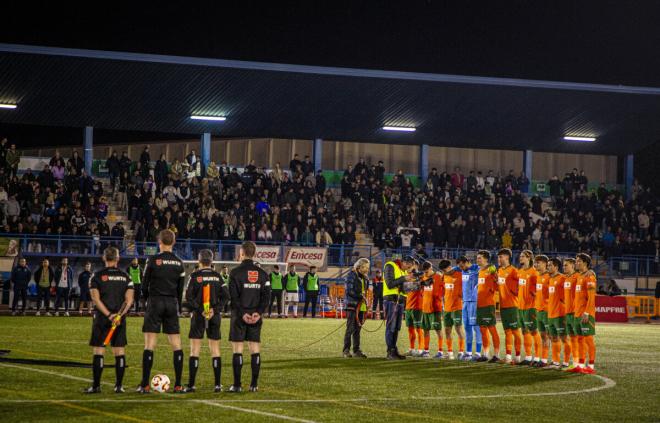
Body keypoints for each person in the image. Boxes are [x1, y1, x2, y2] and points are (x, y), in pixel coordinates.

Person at [138, 229, 186, 394]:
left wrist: (145, 301)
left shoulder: (152, 260)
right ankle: (178, 385)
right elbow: (180, 290)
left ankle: (144, 385)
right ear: (173, 242)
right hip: (171, 303)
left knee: (150, 345)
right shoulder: (179, 263)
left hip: (155, 301)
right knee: (176, 345)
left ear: (159, 241)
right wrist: (177, 305)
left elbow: (144, 285)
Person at [84, 246, 134, 394]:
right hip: (119, 319)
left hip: (101, 318)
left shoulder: (96, 276)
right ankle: (119, 386)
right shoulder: (126, 277)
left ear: (104, 258)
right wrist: (118, 315)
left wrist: (108, 315)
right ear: (118, 259)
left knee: (99, 350)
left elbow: (95, 299)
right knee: (119, 351)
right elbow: (129, 300)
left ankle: (96, 386)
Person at [228, 241, 271, 393]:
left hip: (240, 317)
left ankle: (237, 385)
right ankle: (254, 385)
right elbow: (267, 298)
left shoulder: (234, 273)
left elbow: (233, 298)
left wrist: (242, 313)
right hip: (255, 317)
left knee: (238, 350)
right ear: (255, 254)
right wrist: (258, 313)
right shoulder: (263, 274)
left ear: (241, 253)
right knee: (254, 349)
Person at [184, 249, 228, 392]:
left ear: (199, 261)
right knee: (215, 350)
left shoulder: (194, 276)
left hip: (198, 316)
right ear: (212, 261)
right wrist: (215, 309)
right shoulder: (218, 276)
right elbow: (226, 296)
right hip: (214, 316)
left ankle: (191, 385)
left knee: (194, 350)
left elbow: (188, 297)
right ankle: (217, 385)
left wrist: (200, 309)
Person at [382, 256, 415, 360]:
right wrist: (404, 279)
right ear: (404, 262)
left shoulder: (403, 271)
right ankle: (390, 351)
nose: (408, 269)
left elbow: (404, 289)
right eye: (408, 266)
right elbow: (390, 284)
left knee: (396, 328)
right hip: (391, 300)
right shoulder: (390, 265)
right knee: (391, 327)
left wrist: (418, 284)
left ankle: (394, 350)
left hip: (399, 301)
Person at [572, 253, 597, 374]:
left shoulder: (590, 277)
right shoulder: (580, 276)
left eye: (578, 261)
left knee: (589, 340)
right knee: (580, 340)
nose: (576, 263)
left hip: (586, 314)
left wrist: (587, 312)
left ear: (585, 263)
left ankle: (591, 366)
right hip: (577, 314)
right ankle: (581, 365)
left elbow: (591, 297)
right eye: (576, 261)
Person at [496, 248, 522, 364]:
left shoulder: (514, 271)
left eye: (501, 257)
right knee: (507, 332)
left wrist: (514, 293)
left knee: (515, 331)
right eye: (498, 257)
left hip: (512, 305)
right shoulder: (499, 270)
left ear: (507, 257)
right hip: (503, 306)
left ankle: (517, 357)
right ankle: (508, 356)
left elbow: (521, 285)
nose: (499, 259)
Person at [517, 250, 542, 366]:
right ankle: (527, 356)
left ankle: (537, 357)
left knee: (534, 331)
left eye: (523, 256)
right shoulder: (520, 271)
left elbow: (540, 289)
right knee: (524, 331)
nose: (520, 258)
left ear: (529, 258)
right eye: (520, 256)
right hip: (520, 307)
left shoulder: (534, 272)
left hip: (531, 307)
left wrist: (535, 295)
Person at [475, 251, 500, 362]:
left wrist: (495, 274)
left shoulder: (491, 269)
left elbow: (497, 283)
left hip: (488, 304)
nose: (477, 260)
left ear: (486, 259)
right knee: (482, 330)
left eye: (479, 258)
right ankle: (485, 354)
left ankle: (497, 355)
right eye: (477, 258)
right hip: (480, 304)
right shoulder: (480, 271)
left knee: (492, 329)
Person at [546, 258, 571, 369]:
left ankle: (565, 362)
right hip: (551, 314)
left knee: (564, 339)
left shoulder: (563, 278)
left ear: (556, 267)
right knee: (554, 338)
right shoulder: (550, 279)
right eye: (548, 265)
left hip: (561, 314)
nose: (548, 267)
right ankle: (555, 362)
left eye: (550, 265)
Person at [457, 255, 483, 361]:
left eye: (462, 265)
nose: (461, 268)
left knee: (476, 327)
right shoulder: (461, 270)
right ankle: (468, 352)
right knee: (467, 327)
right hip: (465, 302)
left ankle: (477, 352)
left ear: (467, 262)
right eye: (459, 266)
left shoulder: (477, 268)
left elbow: (488, 268)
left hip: (474, 301)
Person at [342, 258, 370, 358]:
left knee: (357, 329)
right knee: (350, 328)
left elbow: (364, 291)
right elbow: (349, 291)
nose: (367, 269)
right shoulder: (350, 275)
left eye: (367, 267)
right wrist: (361, 296)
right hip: (351, 305)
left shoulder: (365, 278)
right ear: (358, 267)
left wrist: (364, 299)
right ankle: (346, 350)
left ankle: (356, 350)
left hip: (361, 307)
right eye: (364, 267)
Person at [419, 261, 444, 359]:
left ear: (431, 268)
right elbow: (422, 290)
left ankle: (440, 351)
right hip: (425, 307)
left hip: (435, 308)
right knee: (425, 329)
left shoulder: (438, 277)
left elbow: (444, 290)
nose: (426, 273)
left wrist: (438, 297)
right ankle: (426, 351)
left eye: (427, 271)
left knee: (438, 330)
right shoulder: (424, 277)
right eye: (424, 271)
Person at [442, 259, 465, 360]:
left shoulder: (460, 275)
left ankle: (461, 351)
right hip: (446, 308)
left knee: (458, 329)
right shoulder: (444, 276)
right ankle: (450, 352)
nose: (444, 272)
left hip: (457, 307)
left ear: (450, 267)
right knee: (447, 330)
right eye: (443, 271)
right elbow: (443, 291)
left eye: (445, 270)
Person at [533, 255, 551, 367]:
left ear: (545, 264)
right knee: (543, 336)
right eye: (535, 263)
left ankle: (545, 360)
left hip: (547, 310)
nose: (535, 265)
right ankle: (542, 359)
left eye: (538, 263)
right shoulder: (539, 276)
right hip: (539, 310)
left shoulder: (550, 276)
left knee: (549, 336)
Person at [562, 258, 580, 369]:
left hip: (575, 313)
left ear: (573, 266)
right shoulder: (565, 278)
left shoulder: (578, 277)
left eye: (566, 265)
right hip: (567, 313)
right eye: (563, 265)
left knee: (577, 338)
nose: (564, 267)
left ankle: (578, 363)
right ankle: (574, 362)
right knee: (572, 338)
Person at [404, 260, 424, 357]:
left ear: (416, 265)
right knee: (410, 329)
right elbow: (405, 288)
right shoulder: (407, 277)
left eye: (412, 264)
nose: (410, 266)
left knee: (418, 329)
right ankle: (411, 349)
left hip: (417, 306)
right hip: (408, 306)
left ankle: (420, 349)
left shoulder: (421, 277)